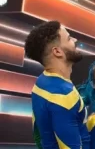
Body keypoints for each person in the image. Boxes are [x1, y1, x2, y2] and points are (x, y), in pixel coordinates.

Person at [25, 21, 90, 149]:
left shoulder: (42, 81)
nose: (75, 40)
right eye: (69, 38)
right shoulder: (63, 94)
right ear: (58, 52)